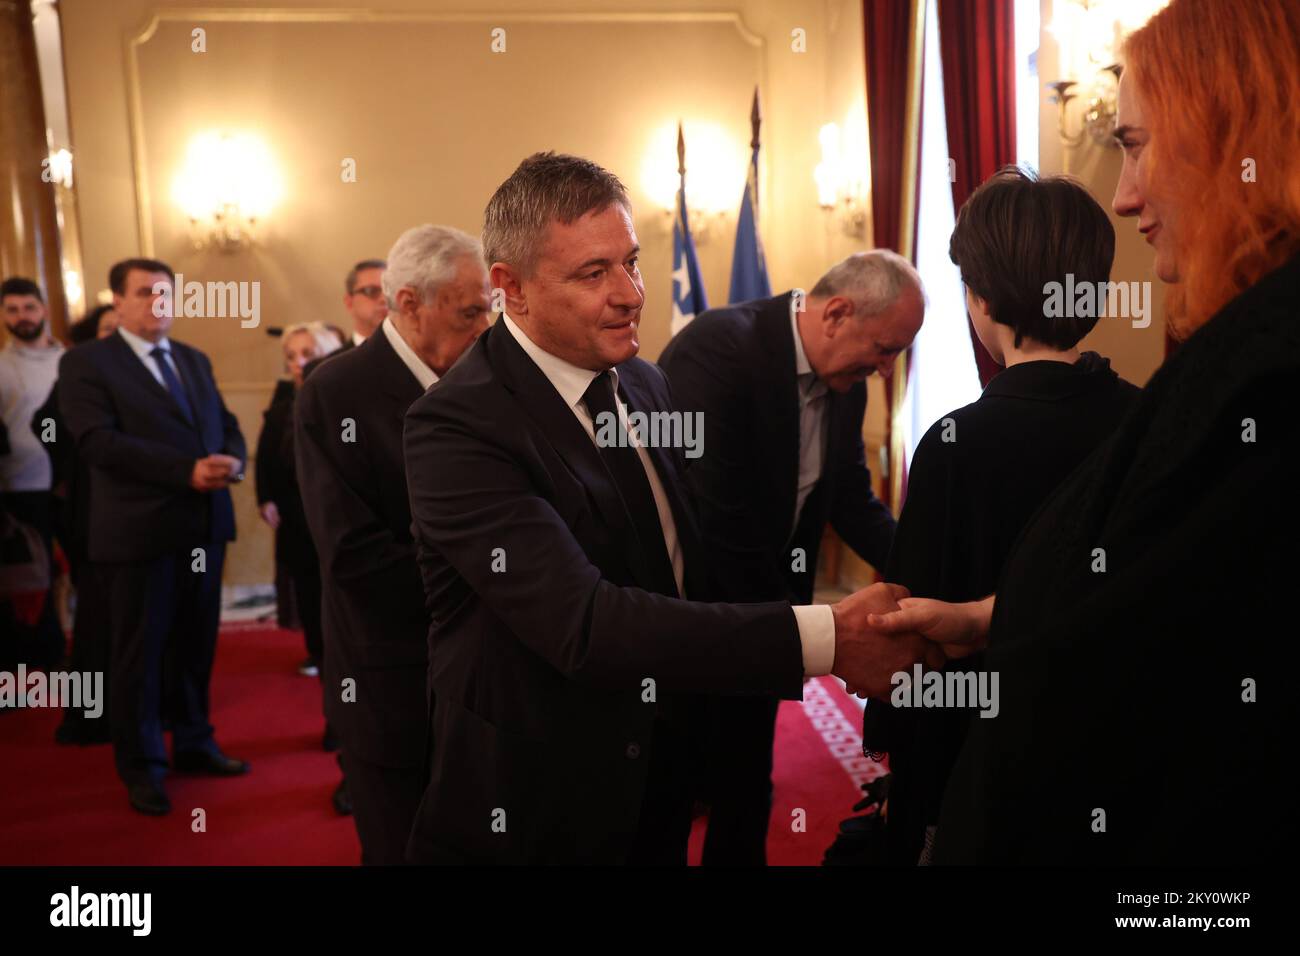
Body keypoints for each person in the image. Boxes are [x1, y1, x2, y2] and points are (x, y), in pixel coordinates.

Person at [401, 152, 950, 865]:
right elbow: (587, 624)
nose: (632, 293)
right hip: (538, 799)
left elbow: (682, 563)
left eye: (630, 262)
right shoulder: (455, 426)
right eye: (594, 274)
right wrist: (827, 638)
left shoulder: (645, 382)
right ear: (512, 289)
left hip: (660, 765)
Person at [867, 0, 1300, 864]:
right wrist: (988, 618)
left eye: (1135, 144)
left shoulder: (1264, 372)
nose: (1125, 193)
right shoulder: (1172, 387)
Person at [864, 167, 1140, 865]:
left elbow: (914, 646)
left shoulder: (957, 445)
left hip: (980, 771)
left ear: (980, 298)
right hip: (1116, 757)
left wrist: (908, 789)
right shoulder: (1148, 421)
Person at [657, 250, 922, 865]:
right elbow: (718, 521)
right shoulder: (719, 351)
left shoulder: (844, 383)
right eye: (884, 349)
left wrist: (925, 576)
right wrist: (813, 635)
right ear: (836, 313)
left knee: (747, 782)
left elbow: (852, 499)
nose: (885, 370)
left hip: (767, 614)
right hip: (692, 619)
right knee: (672, 787)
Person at [295, 225, 490, 864]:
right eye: (470, 311)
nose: (487, 325)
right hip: (392, 684)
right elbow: (352, 555)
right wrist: (493, 587)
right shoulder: (334, 390)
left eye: (490, 307)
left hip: (490, 686)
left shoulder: (487, 379)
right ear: (408, 304)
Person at [58, 258, 248, 816]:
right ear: (117, 302)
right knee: (138, 656)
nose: (158, 303)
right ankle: (142, 766)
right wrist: (184, 470)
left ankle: (194, 742)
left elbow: (225, 423)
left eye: (166, 294)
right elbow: (95, 442)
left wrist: (232, 460)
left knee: (195, 645)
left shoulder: (192, 358)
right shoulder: (87, 363)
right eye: (145, 293)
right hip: (138, 534)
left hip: (203, 529)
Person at [255, 321, 342, 678]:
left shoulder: (344, 397)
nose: (297, 363)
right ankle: (317, 651)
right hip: (295, 510)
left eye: (307, 354)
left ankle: (340, 655)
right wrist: (266, 498)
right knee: (306, 584)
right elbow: (265, 456)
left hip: (337, 512)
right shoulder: (282, 403)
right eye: (291, 356)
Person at [0, 277, 66, 670]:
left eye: (29, 307)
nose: (22, 317)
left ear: (43, 309)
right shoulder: (1, 365)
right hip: (18, 487)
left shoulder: (72, 361)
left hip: (69, 485)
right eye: (12, 309)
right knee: (28, 579)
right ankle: (33, 657)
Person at [301, 260, 387, 379]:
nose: (384, 299)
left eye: (389, 290)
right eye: (371, 291)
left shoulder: (416, 356)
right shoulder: (322, 369)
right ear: (349, 302)